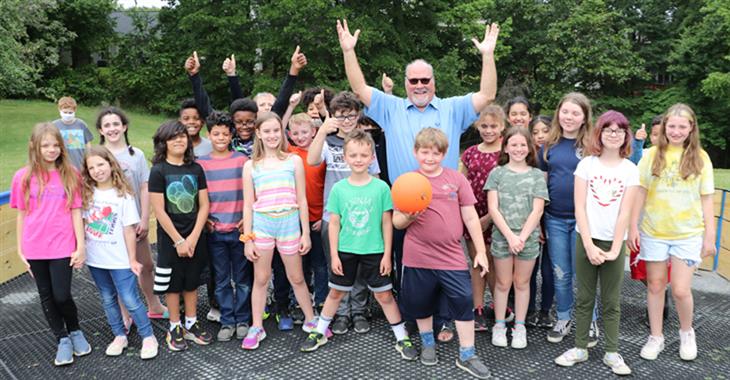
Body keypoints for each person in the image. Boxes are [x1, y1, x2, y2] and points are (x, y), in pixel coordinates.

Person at [337, 18, 499, 303]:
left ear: (434, 82)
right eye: (414, 80)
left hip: (443, 201)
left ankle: (442, 318)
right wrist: (349, 51)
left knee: (446, 263)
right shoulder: (391, 107)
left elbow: (487, 94)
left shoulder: (453, 107)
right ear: (406, 83)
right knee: (406, 265)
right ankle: (412, 316)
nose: (420, 85)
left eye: (426, 79)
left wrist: (488, 55)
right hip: (402, 201)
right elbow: (360, 88)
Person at [300, 130, 418, 361]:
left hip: (374, 251)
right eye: (353, 155)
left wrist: (386, 255)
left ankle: (401, 336)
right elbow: (334, 224)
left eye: (364, 155)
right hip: (345, 251)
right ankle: (319, 332)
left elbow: (387, 222)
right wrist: (333, 255)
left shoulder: (382, 188)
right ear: (345, 157)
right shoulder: (339, 189)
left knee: (384, 296)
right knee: (336, 293)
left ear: (372, 157)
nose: (358, 159)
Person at [392, 128, 491, 379]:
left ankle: (467, 354)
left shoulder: (456, 179)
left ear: (444, 154)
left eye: (436, 153)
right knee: (420, 302)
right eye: (425, 152)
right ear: (416, 152)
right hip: (417, 256)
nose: (429, 157)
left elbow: (470, 216)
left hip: (451, 255)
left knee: (463, 300)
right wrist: (407, 216)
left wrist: (480, 251)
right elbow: (396, 223)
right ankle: (427, 343)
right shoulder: (407, 181)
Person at [628, 104, 716, 362]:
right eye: (672, 126)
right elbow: (640, 192)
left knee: (679, 289)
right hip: (654, 231)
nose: (676, 131)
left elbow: (707, 199)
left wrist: (709, 236)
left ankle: (687, 333)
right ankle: (656, 336)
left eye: (682, 126)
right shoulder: (651, 155)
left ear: (691, 129)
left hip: (687, 233)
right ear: (664, 126)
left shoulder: (700, 157)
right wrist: (632, 225)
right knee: (655, 285)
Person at [554, 110, 639, 375]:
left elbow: (625, 211)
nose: (613, 134)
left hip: (614, 242)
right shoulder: (587, 165)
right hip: (586, 238)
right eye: (608, 129)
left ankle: (612, 352)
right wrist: (589, 245)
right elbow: (580, 206)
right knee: (584, 297)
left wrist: (615, 249)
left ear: (626, 135)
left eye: (619, 130)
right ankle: (580, 348)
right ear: (599, 133)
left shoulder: (630, 170)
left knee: (612, 300)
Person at [10, 123, 91, 366]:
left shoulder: (71, 174)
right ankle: (62, 338)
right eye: (45, 145)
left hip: (62, 245)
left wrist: (81, 246)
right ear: (34, 146)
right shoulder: (22, 177)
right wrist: (20, 249)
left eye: (56, 145)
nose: (51, 149)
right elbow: (22, 215)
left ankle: (75, 330)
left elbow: (76, 211)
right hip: (35, 246)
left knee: (62, 294)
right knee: (46, 296)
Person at [307, 92, 381, 335]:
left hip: (363, 216)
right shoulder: (328, 142)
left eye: (351, 115)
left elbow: (376, 178)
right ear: (334, 116)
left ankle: (359, 310)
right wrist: (321, 130)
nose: (346, 120)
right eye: (341, 115)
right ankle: (341, 312)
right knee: (336, 267)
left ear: (358, 115)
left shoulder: (366, 143)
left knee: (360, 268)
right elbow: (312, 159)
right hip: (334, 217)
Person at [242, 113, 317, 350]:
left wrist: (305, 233)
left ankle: (311, 320)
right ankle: (256, 326)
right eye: (267, 131)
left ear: (281, 132)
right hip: (262, 225)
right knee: (261, 278)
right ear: (259, 134)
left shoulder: (293, 161)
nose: (272, 135)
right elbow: (247, 204)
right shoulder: (250, 166)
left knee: (297, 277)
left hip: (289, 224)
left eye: (276, 130)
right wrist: (248, 240)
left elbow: (302, 200)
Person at [81, 146, 159, 360]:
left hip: (120, 259)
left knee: (130, 298)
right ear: (87, 171)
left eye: (101, 164)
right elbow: (82, 223)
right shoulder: (86, 194)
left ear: (111, 165)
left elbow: (128, 229)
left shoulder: (122, 195)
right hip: (97, 259)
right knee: (107, 298)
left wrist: (132, 259)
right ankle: (119, 335)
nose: (97, 170)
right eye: (91, 167)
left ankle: (148, 336)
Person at [95, 107, 168, 323]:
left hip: (135, 223)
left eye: (116, 124)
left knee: (146, 265)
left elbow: (145, 187)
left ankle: (153, 304)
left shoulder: (136, 155)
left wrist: (145, 218)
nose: (112, 129)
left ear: (124, 126)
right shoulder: (98, 156)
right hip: (110, 226)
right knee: (118, 272)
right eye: (107, 125)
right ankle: (125, 315)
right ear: (100, 129)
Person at [538, 92, 599, 345]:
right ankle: (563, 317)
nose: (569, 117)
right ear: (558, 113)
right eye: (565, 112)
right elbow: (542, 187)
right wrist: (541, 222)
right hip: (554, 219)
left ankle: (589, 320)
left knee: (584, 275)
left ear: (585, 117)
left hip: (584, 222)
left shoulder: (593, 147)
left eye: (575, 113)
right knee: (560, 273)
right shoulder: (548, 146)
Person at [149, 121, 213, 351]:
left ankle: (191, 323)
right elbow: (159, 210)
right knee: (173, 285)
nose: (179, 140)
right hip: (170, 239)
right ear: (163, 143)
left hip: (195, 235)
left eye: (182, 136)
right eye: (173, 137)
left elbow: (204, 205)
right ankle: (174, 326)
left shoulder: (196, 169)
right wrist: (178, 240)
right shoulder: (158, 171)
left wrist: (194, 237)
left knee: (192, 281)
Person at [486, 127, 548, 349]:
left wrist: (521, 237)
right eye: (514, 144)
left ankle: (520, 327)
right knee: (503, 283)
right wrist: (511, 237)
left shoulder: (536, 175)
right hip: (503, 238)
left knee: (522, 283)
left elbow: (537, 210)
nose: (519, 149)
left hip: (527, 239)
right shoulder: (497, 174)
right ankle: (500, 325)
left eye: (523, 145)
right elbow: (493, 208)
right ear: (506, 147)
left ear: (529, 148)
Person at [196, 111, 253, 342]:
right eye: (215, 133)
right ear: (208, 135)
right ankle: (227, 320)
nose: (220, 137)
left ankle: (243, 319)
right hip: (215, 232)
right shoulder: (202, 164)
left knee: (242, 279)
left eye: (225, 133)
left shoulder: (242, 161)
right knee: (220, 280)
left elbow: (252, 194)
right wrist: (205, 219)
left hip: (239, 230)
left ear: (232, 136)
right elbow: (199, 197)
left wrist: (246, 220)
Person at [459, 105, 504, 331]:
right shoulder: (470, 153)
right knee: (477, 261)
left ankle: (499, 305)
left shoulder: (507, 152)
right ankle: (477, 308)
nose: (488, 130)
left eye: (493, 126)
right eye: (484, 126)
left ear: (502, 127)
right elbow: (461, 182)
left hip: (499, 216)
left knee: (496, 263)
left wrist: (490, 217)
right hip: (472, 215)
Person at [287, 113, 328, 314]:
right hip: (295, 219)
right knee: (300, 264)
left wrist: (324, 216)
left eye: (305, 132)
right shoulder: (289, 153)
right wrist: (291, 106)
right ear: (290, 135)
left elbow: (328, 187)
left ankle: (321, 299)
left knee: (320, 263)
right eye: (295, 133)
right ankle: (298, 301)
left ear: (314, 132)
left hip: (317, 217)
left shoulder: (321, 154)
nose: (300, 136)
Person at [525, 115, 555, 328]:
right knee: (530, 269)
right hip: (531, 220)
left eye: (544, 130)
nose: (540, 136)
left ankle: (546, 311)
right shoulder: (527, 157)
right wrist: (536, 224)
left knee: (549, 269)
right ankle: (528, 310)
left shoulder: (556, 156)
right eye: (535, 132)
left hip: (553, 218)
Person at [52, 96, 93, 170]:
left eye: (70, 112)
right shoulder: (54, 126)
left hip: (80, 164)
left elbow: (88, 143)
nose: (67, 115)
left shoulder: (81, 124)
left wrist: (89, 157)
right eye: (65, 112)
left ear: (75, 110)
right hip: (61, 165)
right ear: (59, 110)